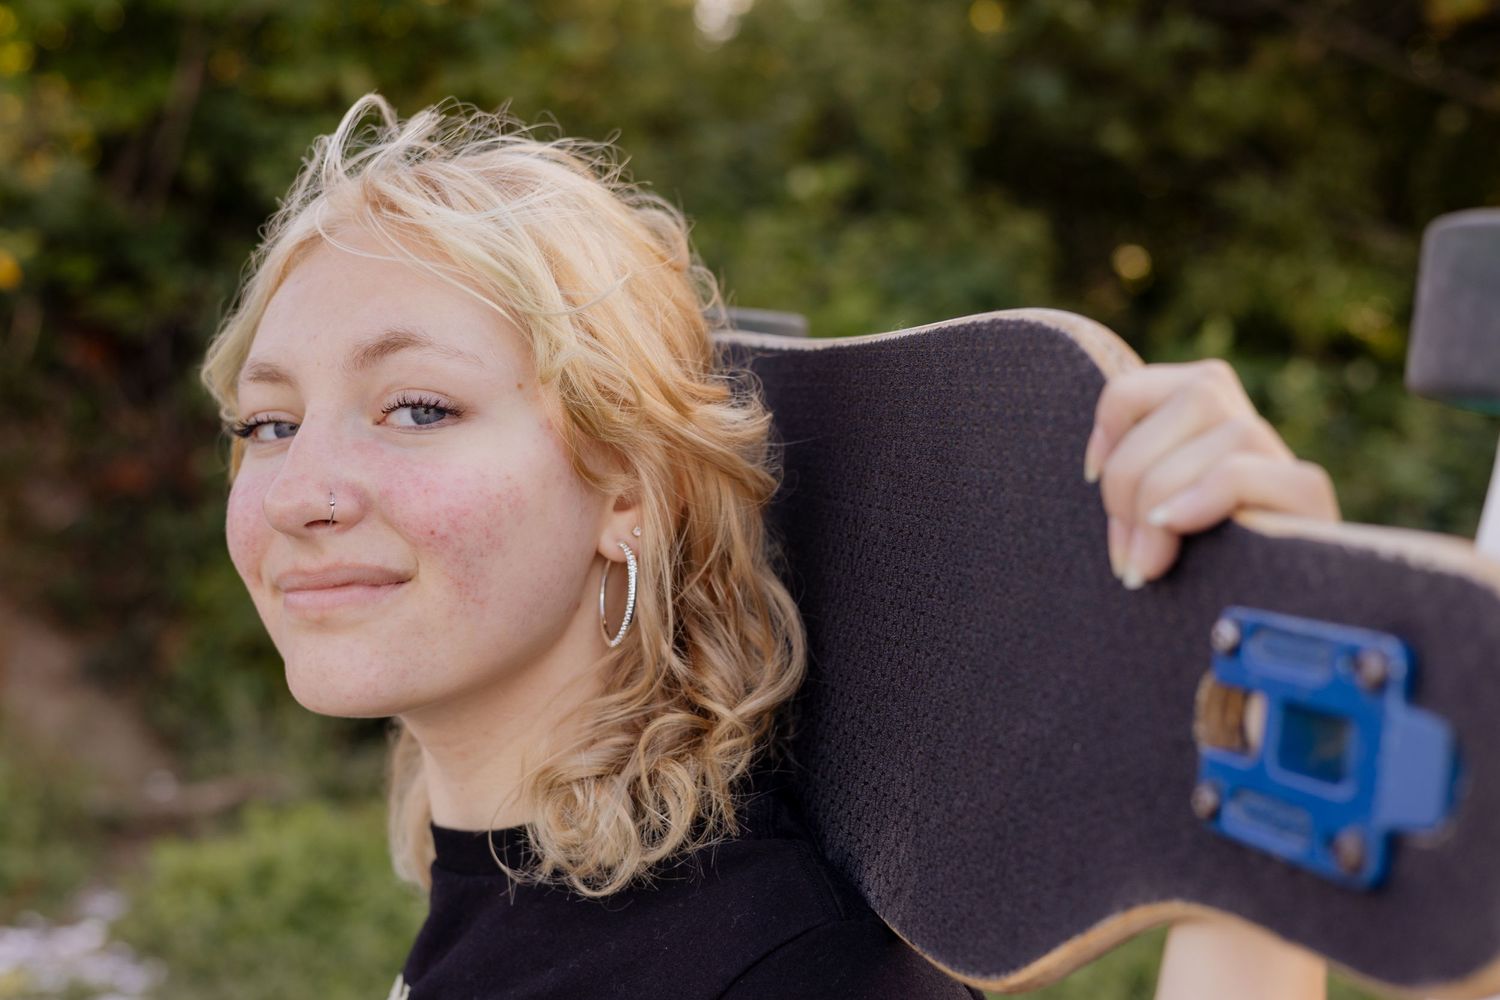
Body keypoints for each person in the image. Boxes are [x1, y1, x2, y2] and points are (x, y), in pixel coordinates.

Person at [196, 91, 1339, 998]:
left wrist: (1281, 678)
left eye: (417, 406)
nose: (302, 493)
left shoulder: (763, 966)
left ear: (626, 485)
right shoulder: (505, 878)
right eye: (269, 423)